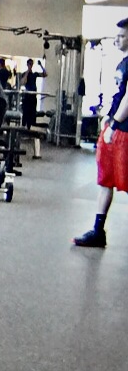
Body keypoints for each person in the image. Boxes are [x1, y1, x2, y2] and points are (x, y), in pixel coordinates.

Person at [75, 19, 128, 247]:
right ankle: (98, 231)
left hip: (124, 131)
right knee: (105, 180)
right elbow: (119, 95)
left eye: (122, 36)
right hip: (114, 128)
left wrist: (115, 124)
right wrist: (108, 117)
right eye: (117, 35)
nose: (117, 39)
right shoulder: (123, 63)